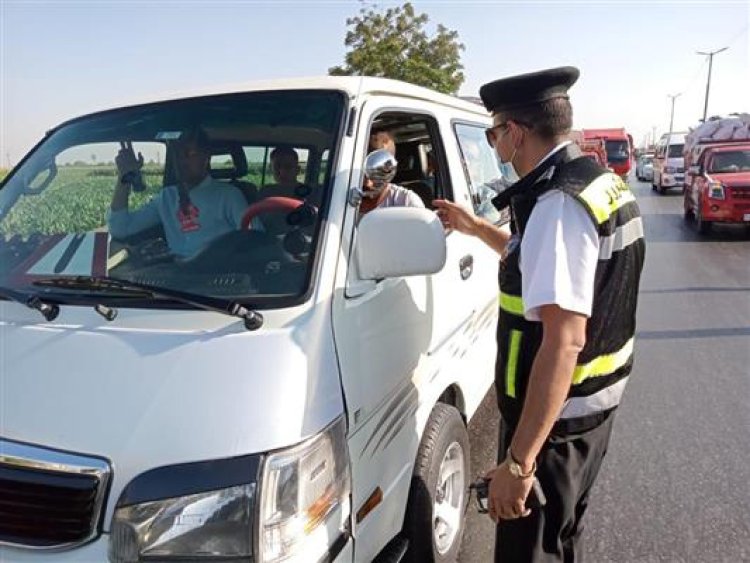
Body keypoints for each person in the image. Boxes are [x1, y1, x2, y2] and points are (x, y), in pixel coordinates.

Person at [433, 66, 645, 562]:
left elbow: (564, 341)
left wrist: (520, 463)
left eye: (492, 134)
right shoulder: (595, 184)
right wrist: (475, 227)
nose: (493, 146)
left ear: (515, 133)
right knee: (560, 537)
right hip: (589, 414)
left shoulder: (557, 205)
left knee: (530, 552)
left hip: (555, 426)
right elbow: (541, 262)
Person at [108, 128, 251, 260]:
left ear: (206, 157)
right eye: (178, 154)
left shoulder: (229, 196)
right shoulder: (166, 198)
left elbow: (254, 240)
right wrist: (125, 176)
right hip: (176, 278)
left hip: (218, 278)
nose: (182, 161)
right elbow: (121, 228)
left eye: (190, 154)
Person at [359, 131, 424, 215]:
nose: (368, 183)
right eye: (362, 172)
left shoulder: (405, 203)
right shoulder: (339, 194)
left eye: (378, 173)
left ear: (391, 170)